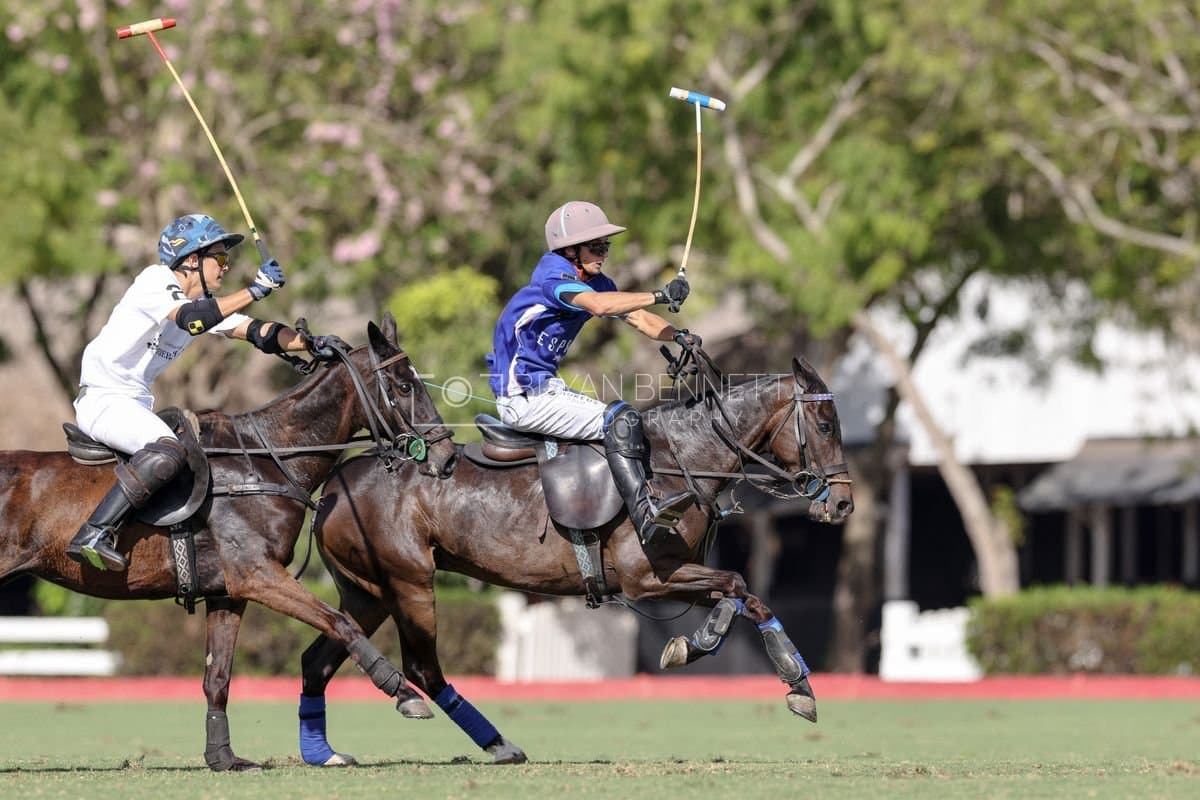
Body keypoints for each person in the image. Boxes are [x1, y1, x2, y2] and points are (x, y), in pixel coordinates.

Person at [67, 213, 337, 572]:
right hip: (103, 399)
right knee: (168, 451)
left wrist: (310, 342)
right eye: (221, 258)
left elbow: (258, 331)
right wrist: (255, 290)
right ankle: (94, 533)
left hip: (133, 404)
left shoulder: (206, 305)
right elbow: (192, 319)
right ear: (191, 259)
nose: (226, 268)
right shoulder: (155, 281)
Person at [485, 200, 702, 545]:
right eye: (595, 246)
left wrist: (678, 336)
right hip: (522, 398)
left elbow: (639, 318)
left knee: (622, 417)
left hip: (547, 389)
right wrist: (660, 293)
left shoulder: (596, 280)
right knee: (622, 420)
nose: (603, 253)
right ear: (569, 249)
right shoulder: (553, 278)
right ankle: (645, 514)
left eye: (606, 246)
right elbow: (600, 306)